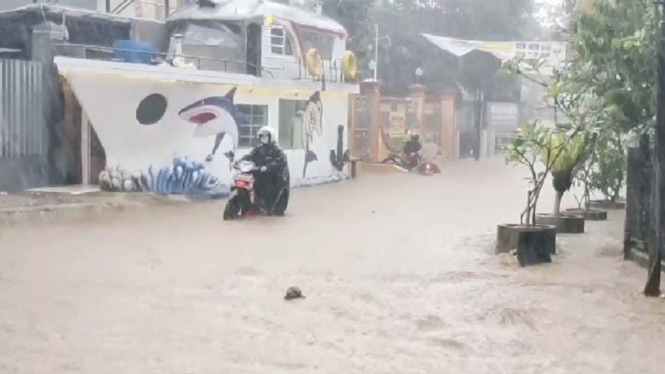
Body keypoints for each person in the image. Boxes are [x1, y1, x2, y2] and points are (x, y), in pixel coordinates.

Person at [239, 126, 290, 215]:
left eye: (266, 136)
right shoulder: (258, 149)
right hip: (260, 173)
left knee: (273, 195)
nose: (263, 138)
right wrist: (239, 161)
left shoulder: (277, 150)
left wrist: (268, 167)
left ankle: (272, 208)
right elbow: (249, 156)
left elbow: (281, 161)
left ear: (271, 137)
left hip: (275, 177)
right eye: (261, 136)